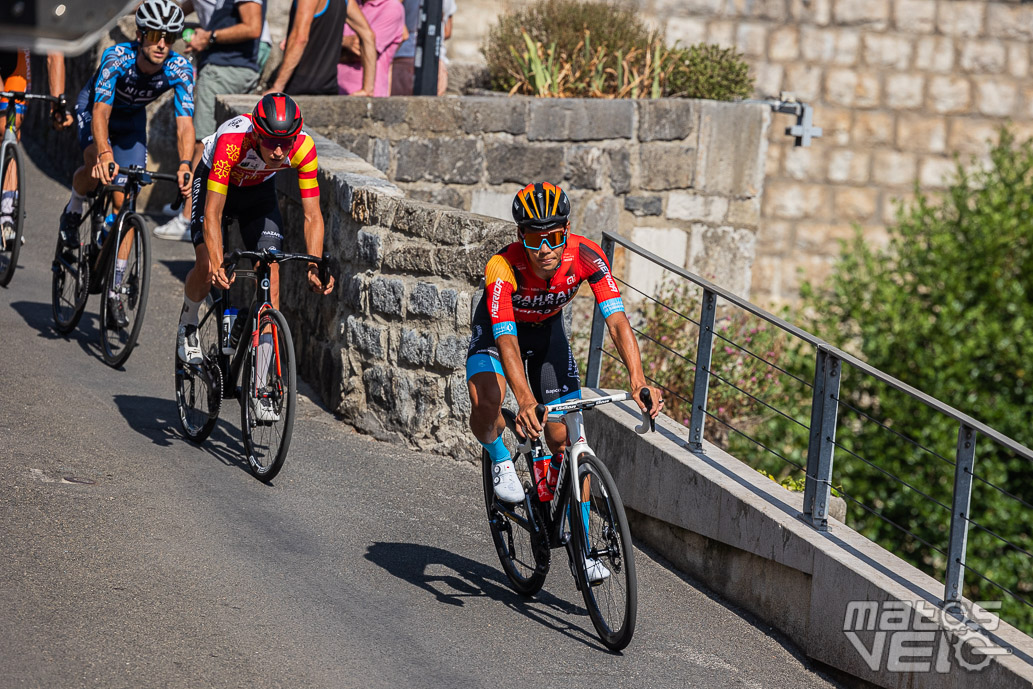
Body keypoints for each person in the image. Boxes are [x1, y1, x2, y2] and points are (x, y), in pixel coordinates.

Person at [465, 182, 663, 580]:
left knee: (565, 442)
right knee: (490, 397)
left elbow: (617, 320)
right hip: (498, 332)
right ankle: (501, 456)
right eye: (535, 240)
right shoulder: (502, 267)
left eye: (554, 237)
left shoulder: (586, 255)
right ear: (521, 236)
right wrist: (523, 400)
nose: (545, 250)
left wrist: (639, 379)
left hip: (546, 334)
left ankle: (581, 544)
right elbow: (506, 340)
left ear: (567, 230)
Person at [175, 92, 334, 420]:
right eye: (271, 142)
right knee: (207, 266)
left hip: (258, 196)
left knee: (271, 270)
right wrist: (219, 261)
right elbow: (213, 213)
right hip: (216, 188)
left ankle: (261, 387)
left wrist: (315, 264)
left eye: (285, 142)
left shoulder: (302, 148)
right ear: (257, 134)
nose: (279, 151)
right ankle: (189, 321)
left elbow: (312, 215)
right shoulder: (233, 141)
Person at [58, 0, 194, 327]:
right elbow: (101, 112)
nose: (162, 44)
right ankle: (74, 209)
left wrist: (186, 163)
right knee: (96, 171)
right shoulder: (117, 57)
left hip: (131, 122)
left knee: (126, 200)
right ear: (140, 34)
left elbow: (185, 124)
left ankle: (116, 290)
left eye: (170, 37)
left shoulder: (180, 68)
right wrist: (104, 153)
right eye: (155, 36)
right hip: (95, 112)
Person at [153, 0, 266, 241]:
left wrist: (209, 37)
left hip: (223, 70)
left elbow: (252, 26)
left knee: (201, 143)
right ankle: (195, 212)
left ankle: (187, 219)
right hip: (226, 67)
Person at [0, 51, 73, 246]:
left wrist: (57, 105)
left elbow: (54, 52)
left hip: (17, 56)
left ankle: (7, 214)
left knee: (10, 128)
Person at [268, 0, 376, 96]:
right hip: (328, 89)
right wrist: (368, 89)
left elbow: (299, 39)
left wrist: (277, 87)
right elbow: (368, 36)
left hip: (298, 88)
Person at [337, 0, 404, 97]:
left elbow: (361, 52)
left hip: (364, 97)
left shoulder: (393, 7)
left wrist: (330, 53)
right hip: (334, 92)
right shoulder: (350, 3)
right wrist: (344, 41)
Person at [389, 0, 454, 96]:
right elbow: (447, 31)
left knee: (397, 108)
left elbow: (389, 8)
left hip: (404, 53)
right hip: (436, 59)